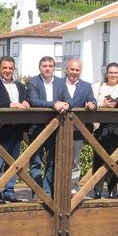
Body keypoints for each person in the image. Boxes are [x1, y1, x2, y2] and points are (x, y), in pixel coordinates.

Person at [0, 55, 29, 202]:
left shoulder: (21, 86)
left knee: (13, 163)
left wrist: (26, 103)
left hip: (16, 130)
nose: (7, 71)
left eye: (10, 68)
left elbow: (26, 100)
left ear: (14, 69)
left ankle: (9, 192)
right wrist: (10, 105)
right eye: (5, 68)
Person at [26, 56, 69, 197]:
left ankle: (46, 191)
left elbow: (68, 98)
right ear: (40, 67)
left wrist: (66, 104)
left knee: (53, 161)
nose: (47, 68)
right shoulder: (33, 81)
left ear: (54, 67)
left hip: (56, 128)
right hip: (36, 127)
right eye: (44, 66)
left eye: (50, 66)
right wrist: (54, 104)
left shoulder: (61, 82)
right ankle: (37, 193)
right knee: (35, 162)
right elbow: (34, 101)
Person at [92, 62, 118, 198]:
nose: (113, 75)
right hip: (101, 126)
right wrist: (103, 105)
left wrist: (116, 104)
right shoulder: (99, 87)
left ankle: (112, 189)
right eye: (110, 72)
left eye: (115, 73)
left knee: (115, 159)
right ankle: (97, 189)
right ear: (106, 73)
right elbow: (92, 102)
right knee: (99, 158)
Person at [62, 58, 97, 191]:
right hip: (58, 127)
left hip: (77, 129)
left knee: (75, 160)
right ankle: (59, 186)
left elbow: (92, 100)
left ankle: (73, 186)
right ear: (67, 69)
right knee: (58, 159)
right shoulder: (58, 83)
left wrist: (92, 104)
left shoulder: (86, 86)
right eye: (72, 69)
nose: (74, 72)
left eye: (77, 70)